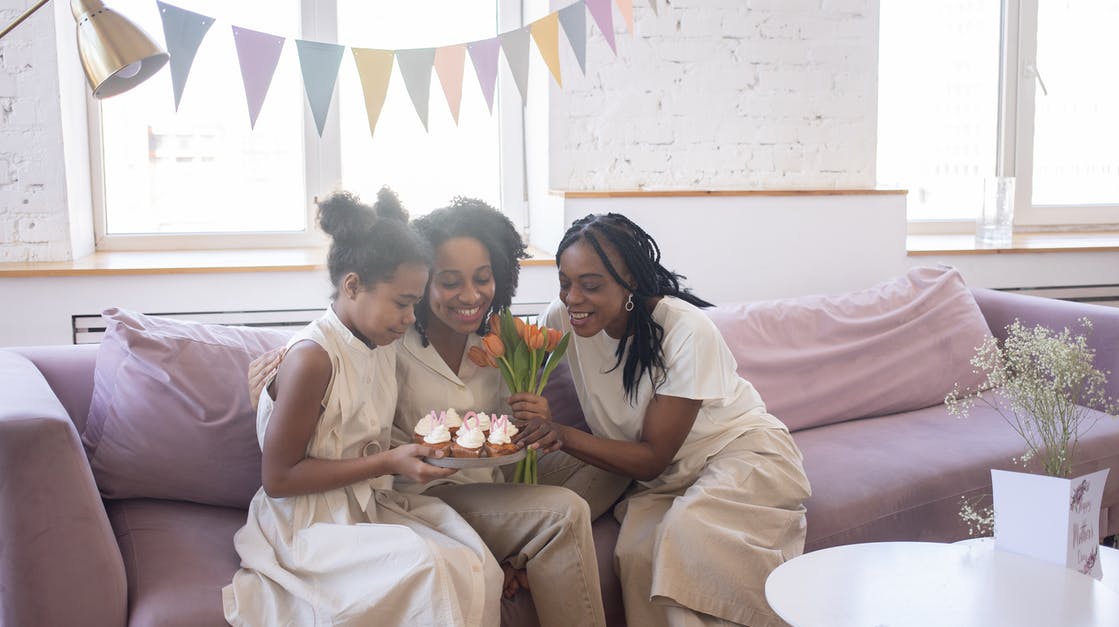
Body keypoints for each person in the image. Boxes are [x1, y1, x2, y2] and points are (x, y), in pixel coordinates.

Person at [249, 195, 624, 626]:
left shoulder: (495, 341)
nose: (470, 295)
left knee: (614, 460)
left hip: (488, 479)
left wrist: (535, 417)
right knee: (560, 513)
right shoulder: (389, 340)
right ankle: (522, 541)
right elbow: (323, 375)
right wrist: (267, 391)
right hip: (421, 491)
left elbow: (499, 433)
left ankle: (523, 546)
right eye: (448, 282)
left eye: (483, 278)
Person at [510, 213, 812, 627]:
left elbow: (652, 456)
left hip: (739, 454)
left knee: (687, 535)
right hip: (665, 480)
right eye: (565, 282)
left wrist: (558, 433)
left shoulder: (684, 329)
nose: (573, 297)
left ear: (630, 281)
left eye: (591, 285)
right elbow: (515, 368)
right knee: (636, 552)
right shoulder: (560, 319)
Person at [223, 189, 501, 626]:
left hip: (363, 506)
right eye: (403, 303)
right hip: (307, 526)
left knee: (475, 561)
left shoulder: (379, 342)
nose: (411, 318)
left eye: (415, 302)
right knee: (425, 566)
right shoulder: (313, 358)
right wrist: (389, 461)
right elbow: (277, 478)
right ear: (352, 285)